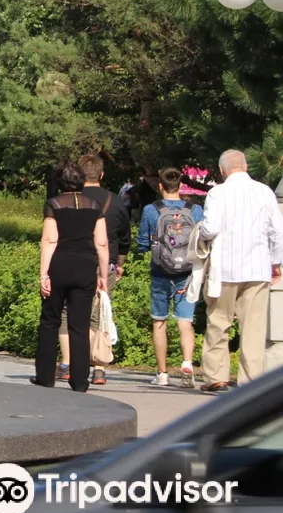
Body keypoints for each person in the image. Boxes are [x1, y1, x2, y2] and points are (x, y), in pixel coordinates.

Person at [194, 150, 283, 393]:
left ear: (222, 170)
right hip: (257, 267)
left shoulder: (217, 193)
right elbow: (277, 231)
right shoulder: (264, 192)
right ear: (245, 166)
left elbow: (210, 229)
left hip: (225, 268)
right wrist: (275, 262)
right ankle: (251, 382)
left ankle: (216, 377)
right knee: (254, 327)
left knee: (218, 322)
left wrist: (200, 235)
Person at [32, 161, 109, 393]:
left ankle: (45, 376)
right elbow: (102, 243)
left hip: (59, 265)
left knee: (50, 321)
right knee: (80, 325)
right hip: (85, 266)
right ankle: (79, 380)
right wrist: (103, 275)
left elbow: (49, 240)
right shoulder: (95, 205)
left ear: (60, 182)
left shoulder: (54, 204)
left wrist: (43, 273)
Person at [57, 153, 129, 386]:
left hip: (73, 260)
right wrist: (120, 264)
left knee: (68, 314)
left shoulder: (66, 199)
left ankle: (67, 363)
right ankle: (98, 367)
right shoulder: (116, 201)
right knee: (100, 314)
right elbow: (124, 237)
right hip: (104, 264)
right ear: (102, 174)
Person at [138, 167, 203, 388]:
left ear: (160, 186)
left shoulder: (150, 210)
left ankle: (162, 374)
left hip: (160, 272)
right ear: (180, 185)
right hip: (187, 273)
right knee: (185, 322)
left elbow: (143, 244)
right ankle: (187, 364)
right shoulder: (195, 210)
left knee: (159, 322)